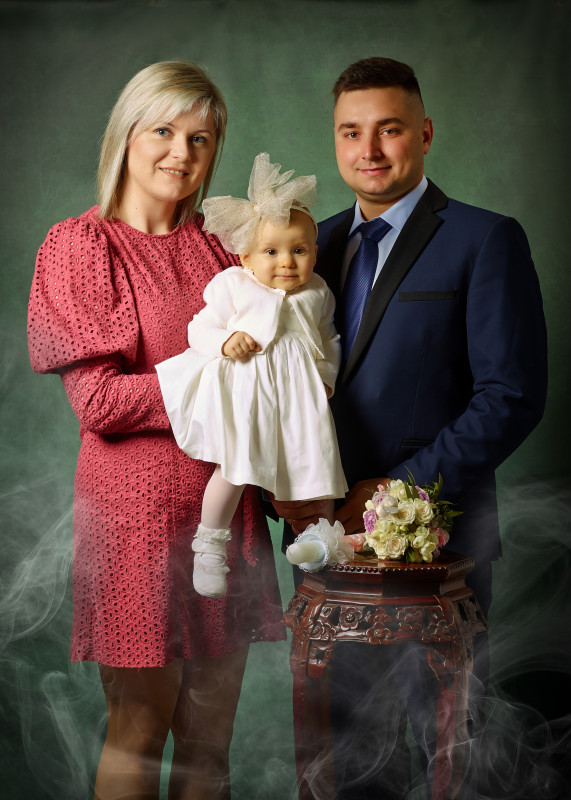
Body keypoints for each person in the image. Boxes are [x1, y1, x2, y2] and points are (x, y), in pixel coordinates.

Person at [273, 57, 548, 798]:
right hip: (325, 539)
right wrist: (285, 488)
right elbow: (280, 388)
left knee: (446, 750)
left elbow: (511, 395)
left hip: (438, 547)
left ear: (423, 134)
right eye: (350, 132)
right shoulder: (311, 247)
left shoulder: (484, 239)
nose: (368, 149)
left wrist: (396, 494)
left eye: (388, 129)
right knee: (341, 756)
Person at [27, 62, 285, 800]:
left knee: (209, 747)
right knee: (138, 733)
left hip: (224, 518)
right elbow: (101, 403)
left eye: (200, 139)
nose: (181, 152)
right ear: (126, 135)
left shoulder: (226, 248)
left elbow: (272, 377)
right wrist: (219, 383)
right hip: (133, 520)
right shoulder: (81, 245)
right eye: (164, 131)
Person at [156, 152, 347, 598]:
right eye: (271, 251)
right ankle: (209, 548)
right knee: (235, 469)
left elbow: (329, 338)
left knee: (315, 468)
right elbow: (199, 328)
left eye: (299, 250)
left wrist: (326, 377)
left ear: (314, 252)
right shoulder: (233, 285)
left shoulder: (318, 292)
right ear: (245, 256)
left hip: (299, 401)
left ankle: (317, 544)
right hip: (250, 395)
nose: (287, 262)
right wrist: (226, 341)